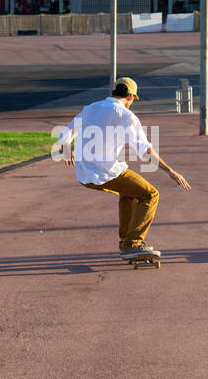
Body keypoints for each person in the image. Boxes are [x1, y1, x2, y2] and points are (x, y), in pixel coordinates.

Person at [56, 77, 191, 258]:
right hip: (108, 172)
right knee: (150, 194)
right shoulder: (126, 116)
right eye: (133, 100)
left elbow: (65, 133)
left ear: (113, 92)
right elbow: (145, 149)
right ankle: (132, 243)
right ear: (130, 96)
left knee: (130, 193)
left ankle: (125, 241)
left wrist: (65, 149)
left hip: (83, 174)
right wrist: (170, 170)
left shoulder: (90, 108)